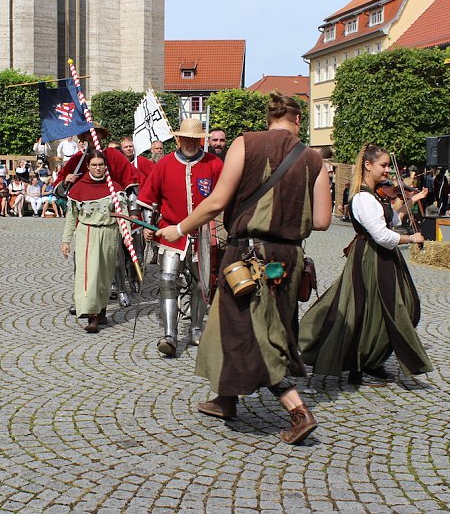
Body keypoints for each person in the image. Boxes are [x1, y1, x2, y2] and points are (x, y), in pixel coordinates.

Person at [157, 92, 331, 445]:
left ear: (269, 119)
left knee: (257, 334)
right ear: (298, 121)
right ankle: (226, 399)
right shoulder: (314, 159)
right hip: (288, 260)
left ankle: (298, 411)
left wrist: (178, 229)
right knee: (234, 326)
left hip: (247, 258)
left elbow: (217, 202)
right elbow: (324, 221)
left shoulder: (244, 144)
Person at [299, 143, 432, 389]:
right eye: (383, 166)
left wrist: (408, 201)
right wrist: (411, 238)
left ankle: (372, 360)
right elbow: (382, 235)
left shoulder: (375, 196)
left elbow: (392, 219)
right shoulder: (361, 197)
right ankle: (361, 365)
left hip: (383, 257)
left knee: (388, 308)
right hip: (371, 257)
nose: (387, 172)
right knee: (368, 309)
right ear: (368, 165)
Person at [139, 118, 223, 355]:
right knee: (167, 279)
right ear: (178, 139)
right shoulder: (164, 164)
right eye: (186, 138)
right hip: (170, 231)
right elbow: (148, 199)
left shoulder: (214, 164)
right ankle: (170, 335)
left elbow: (224, 197)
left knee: (201, 282)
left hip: (203, 233)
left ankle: (196, 328)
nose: (190, 143)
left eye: (195, 139)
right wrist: (147, 224)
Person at [60, 153, 125, 333]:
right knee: (89, 274)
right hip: (87, 232)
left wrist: (127, 235)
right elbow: (71, 218)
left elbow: (122, 215)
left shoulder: (114, 188)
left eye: (101, 165)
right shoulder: (79, 188)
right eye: (95, 165)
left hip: (109, 233)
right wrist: (66, 240)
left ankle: (102, 309)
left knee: (105, 273)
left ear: (105, 166)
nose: (98, 168)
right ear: (88, 166)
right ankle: (92, 315)